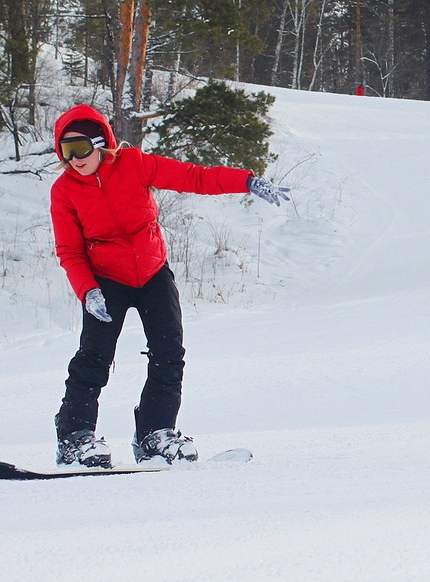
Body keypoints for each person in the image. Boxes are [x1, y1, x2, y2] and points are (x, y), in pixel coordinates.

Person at [49, 104, 291, 468]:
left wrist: (245, 181)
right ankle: (74, 439)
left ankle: (155, 434)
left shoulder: (134, 165)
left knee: (168, 354)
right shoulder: (64, 191)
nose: (74, 160)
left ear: (100, 144)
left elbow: (194, 177)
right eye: (66, 152)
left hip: (151, 272)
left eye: (80, 148)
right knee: (94, 358)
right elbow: (69, 250)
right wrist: (88, 290)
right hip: (105, 280)